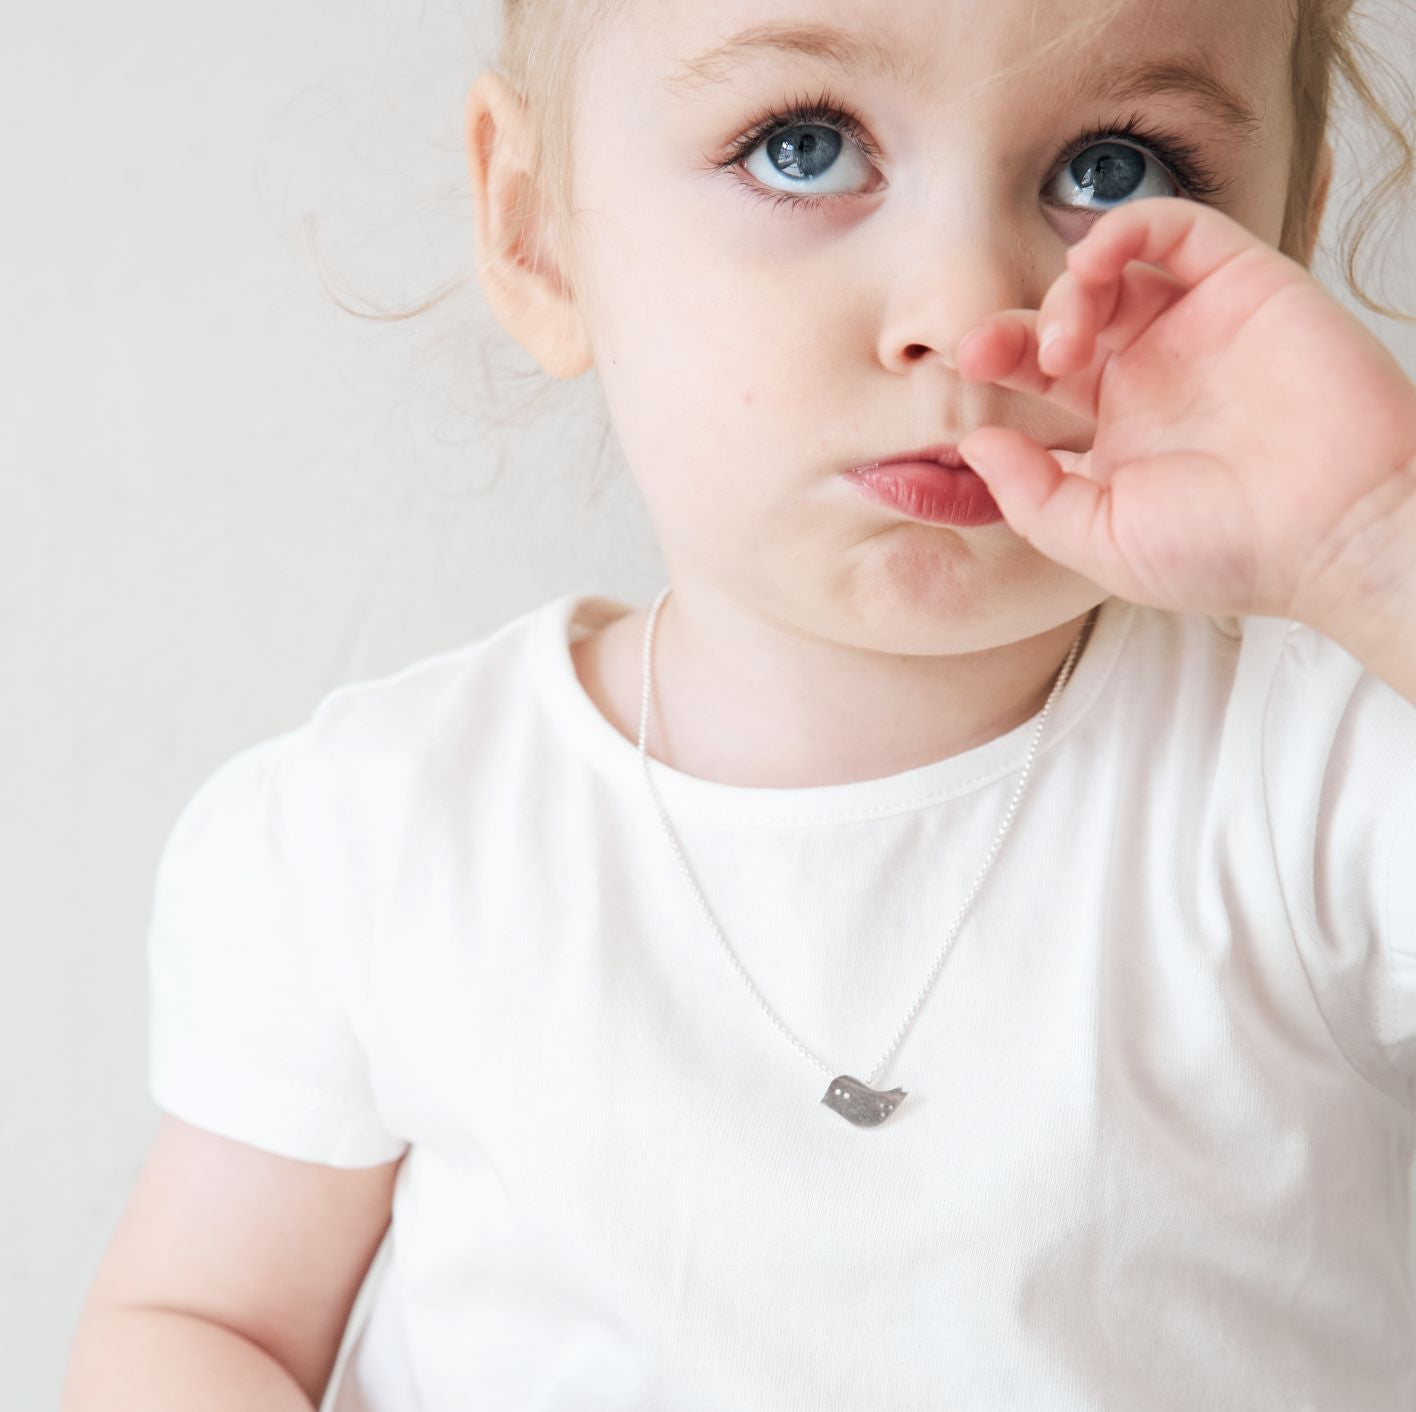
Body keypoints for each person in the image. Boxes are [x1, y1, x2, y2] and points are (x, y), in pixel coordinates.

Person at [63, 0, 1416, 1409]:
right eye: (805, 147)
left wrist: (1382, 537)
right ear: (536, 227)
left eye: (1117, 172)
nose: (966, 319)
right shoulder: (375, 837)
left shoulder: (1331, 770)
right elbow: (201, 1323)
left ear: (1284, 256)